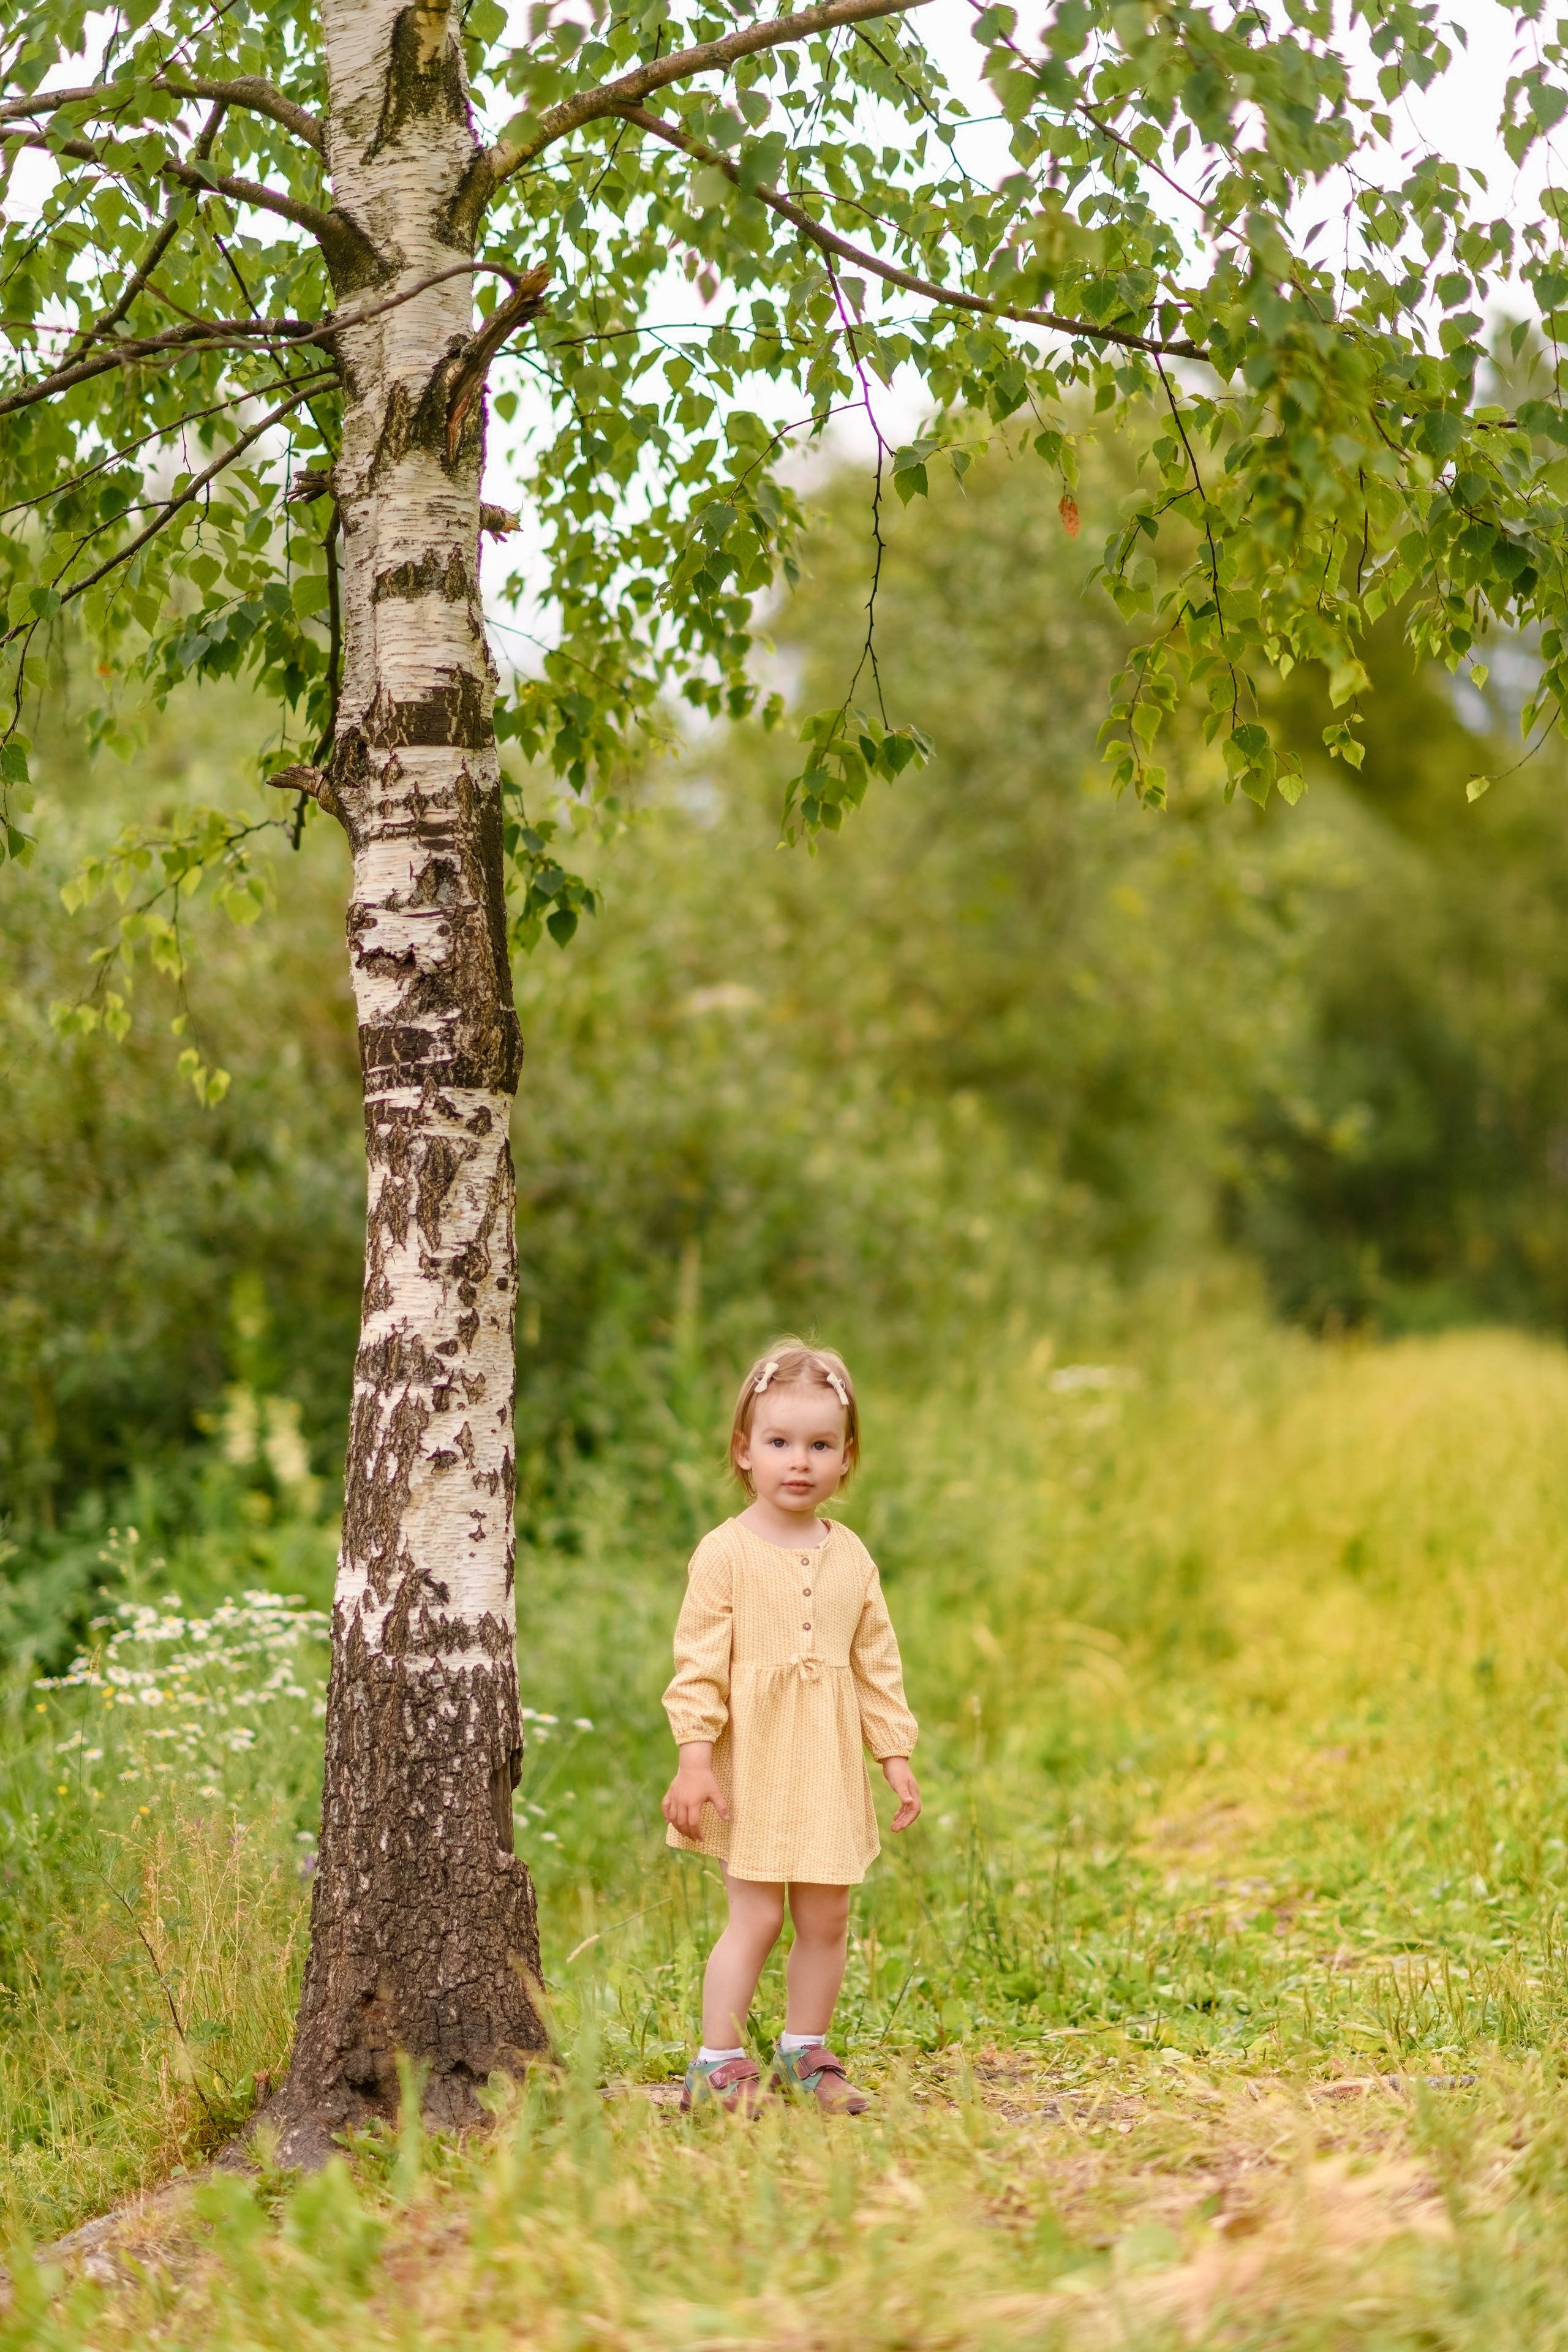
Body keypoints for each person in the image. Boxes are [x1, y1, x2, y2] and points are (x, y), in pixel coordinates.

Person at [661, 1339, 921, 2115]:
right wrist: (693, 1759)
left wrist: (893, 1751)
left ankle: (804, 2050)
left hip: (828, 1764)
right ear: (744, 1451)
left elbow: (876, 1660)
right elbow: (698, 1665)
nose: (799, 1462)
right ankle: (716, 2061)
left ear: (847, 1458)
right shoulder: (724, 1554)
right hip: (753, 1767)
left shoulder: (852, 1557)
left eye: (820, 1446)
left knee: (826, 1915)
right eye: (779, 1443)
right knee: (758, 1915)